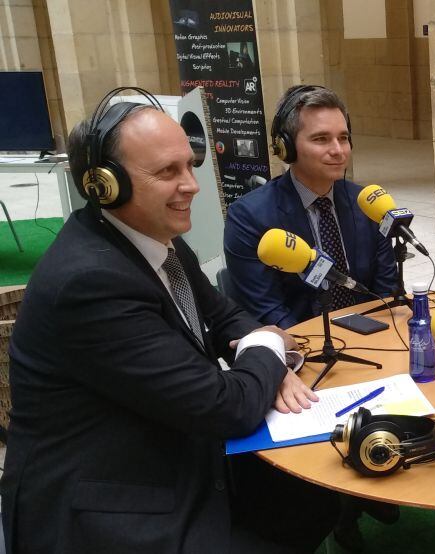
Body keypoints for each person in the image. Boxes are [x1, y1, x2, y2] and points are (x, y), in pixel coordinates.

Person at [0, 93, 337, 553]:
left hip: (172, 452)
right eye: (166, 172)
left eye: (189, 165)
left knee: (321, 493)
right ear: (104, 184)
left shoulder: (159, 243)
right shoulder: (90, 282)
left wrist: (261, 351)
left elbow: (226, 317)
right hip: (110, 508)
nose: (192, 185)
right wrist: (270, 351)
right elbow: (227, 406)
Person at [225, 85, 396, 329]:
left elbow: (386, 290)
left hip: (371, 334)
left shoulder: (366, 204)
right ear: (286, 147)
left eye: (344, 138)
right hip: (303, 345)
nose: (338, 150)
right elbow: (266, 309)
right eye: (321, 139)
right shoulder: (249, 216)